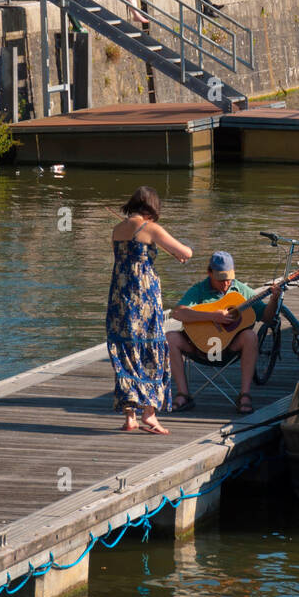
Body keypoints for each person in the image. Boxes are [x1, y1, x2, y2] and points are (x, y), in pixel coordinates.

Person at [107, 186, 192, 434]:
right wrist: (180, 255)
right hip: (143, 298)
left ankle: (129, 417)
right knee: (151, 348)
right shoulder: (150, 228)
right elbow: (186, 251)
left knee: (126, 351)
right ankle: (150, 414)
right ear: (152, 207)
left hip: (119, 297)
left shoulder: (117, 230)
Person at [166, 252, 278, 416]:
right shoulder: (199, 290)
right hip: (199, 348)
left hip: (228, 349)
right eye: (220, 279)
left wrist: (274, 299)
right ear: (209, 273)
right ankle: (183, 394)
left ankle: (245, 395)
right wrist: (212, 316)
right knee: (170, 337)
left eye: (229, 278)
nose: (225, 283)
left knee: (250, 336)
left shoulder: (241, 290)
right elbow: (178, 314)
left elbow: (267, 317)